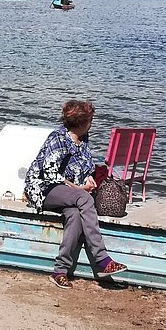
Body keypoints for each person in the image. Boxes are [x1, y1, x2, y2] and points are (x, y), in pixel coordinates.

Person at [24, 99, 128, 288]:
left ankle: (59, 270)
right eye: (90, 120)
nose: (92, 124)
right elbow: (49, 174)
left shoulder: (83, 139)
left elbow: (82, 167)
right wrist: (79, 189)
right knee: (84, 198)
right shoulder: (58, 138)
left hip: (65, 191)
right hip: (42, 189)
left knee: (75, 216)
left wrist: (88, 178)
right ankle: (102, 259)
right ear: (83, 123)